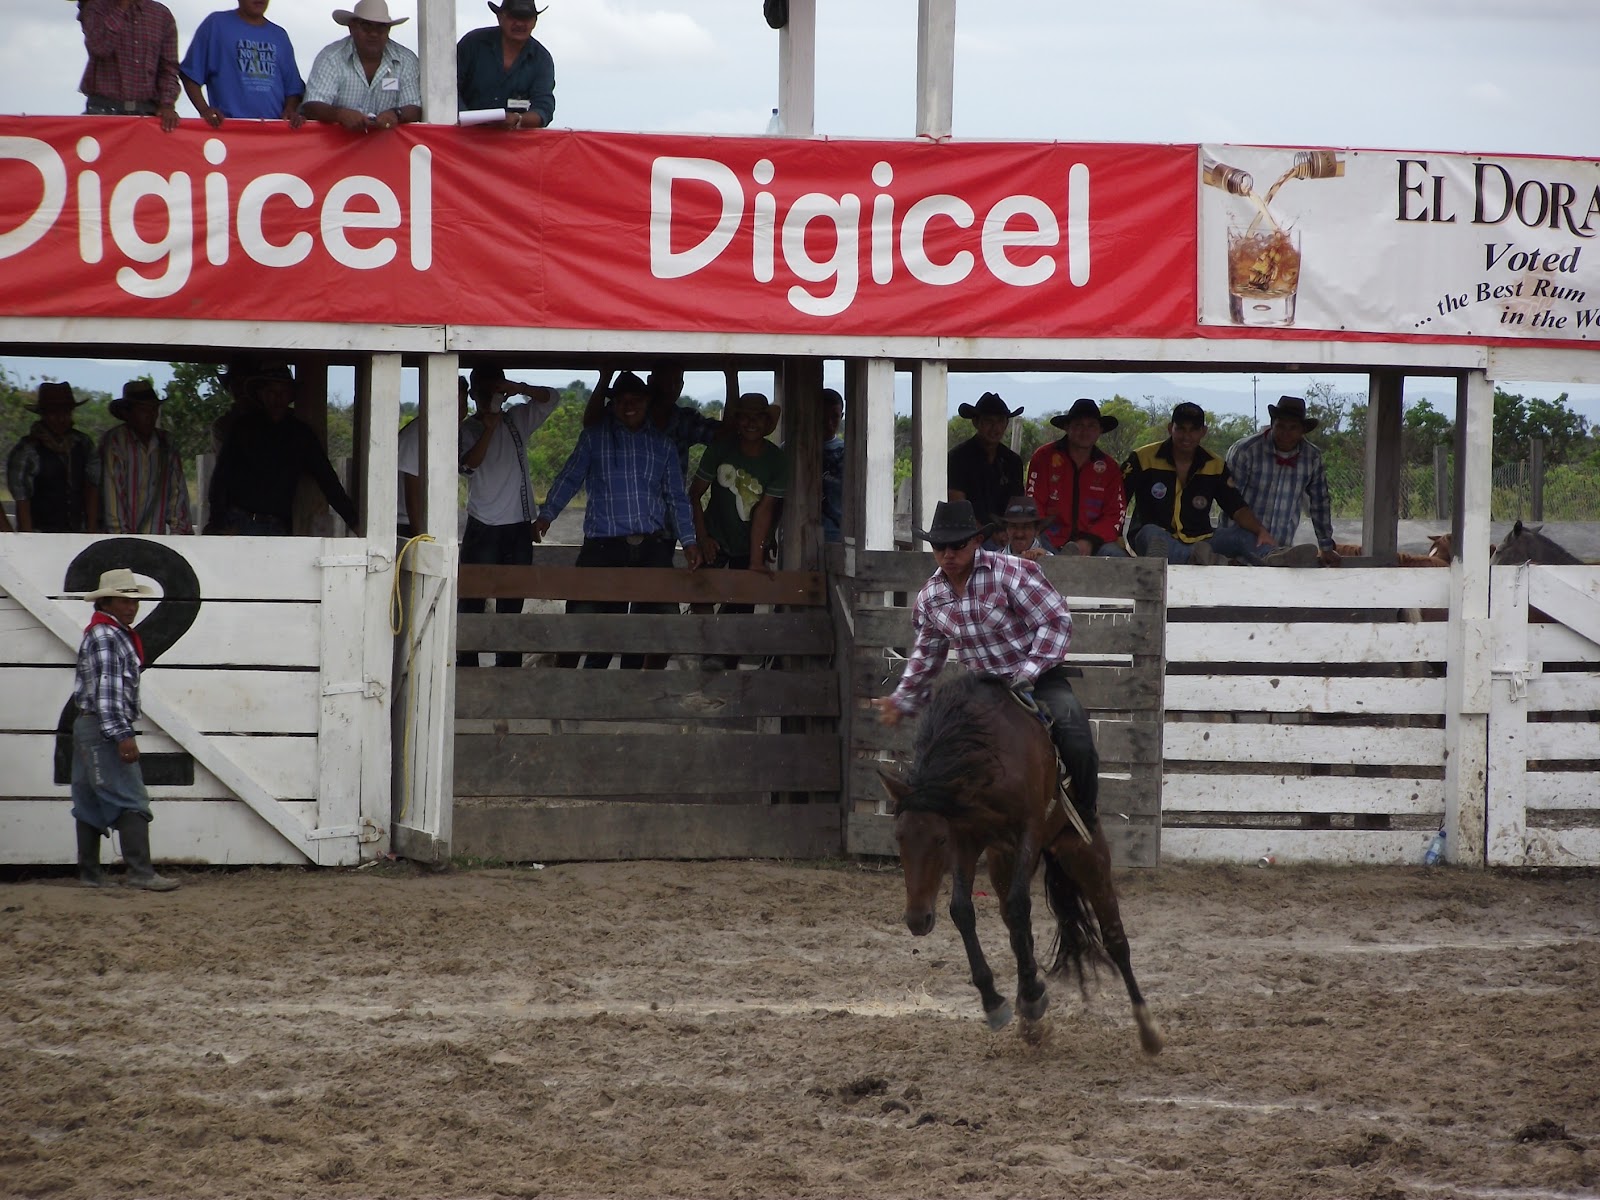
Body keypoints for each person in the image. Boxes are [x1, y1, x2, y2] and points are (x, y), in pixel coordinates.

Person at [871, 500, 1099, 826]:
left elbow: (1055, 621)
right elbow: (926, 653)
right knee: (935, 740)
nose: (948, 554)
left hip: (1038, 678)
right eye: (940, 547)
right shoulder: (931, 597)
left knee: (1075, 733)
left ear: (977, 541)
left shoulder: (1011, 572)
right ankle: (943, 822)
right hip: (982, 689)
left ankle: (1086, 811)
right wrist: (903, 698)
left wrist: (1029, 672)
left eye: (957, 545)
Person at [536, 370, 702, 671]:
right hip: (602, 546)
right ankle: (563, 687)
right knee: (584, 619)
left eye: (635, 400)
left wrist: (689, 541)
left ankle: (641, 688)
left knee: (663, 619)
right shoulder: (594, 438)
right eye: (621, 400)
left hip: (651, 547)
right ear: (612, 404)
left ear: (647, 402)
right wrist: (546, 515)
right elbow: (569, 478)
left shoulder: (662, 446)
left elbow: (676, 498)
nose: (628, 406)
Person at [69, 567, 180, 892]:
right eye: (123, 600)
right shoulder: (108, 636)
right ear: (106, 602)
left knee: (88, 798)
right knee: (130, 796)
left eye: (133, 600)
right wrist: (122, 734)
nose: (131, 606)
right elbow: (108, 690)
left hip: (89, 724)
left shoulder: (104, 632)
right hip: (104, 726)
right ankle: (140, 872)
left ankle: (90, 875)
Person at [456, 366, 562, 667]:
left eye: (497, 391)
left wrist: (519, 387)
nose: (491, 397)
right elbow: (467, 466)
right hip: (484, 525)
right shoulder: (467, 429)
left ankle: (507, 669)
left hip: (517, 527)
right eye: (486, 392)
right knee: (472, 601)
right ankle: (467, 667)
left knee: (512, 602)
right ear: (474, 394)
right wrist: (488, 429)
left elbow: (552, 398)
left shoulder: (515, 419)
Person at [690, 391, 789, 667]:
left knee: (742, 601)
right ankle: (710, 652)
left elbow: (765, 510)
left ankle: (726, 665)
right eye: (744, 417)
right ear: (737, 421)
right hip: (715, 537)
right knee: (701, 592)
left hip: (748, 542)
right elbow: (694, 494)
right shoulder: (720, 449)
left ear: (766, 423)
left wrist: (757, 558)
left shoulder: (777, 461)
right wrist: (703, 538)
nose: (750, 423)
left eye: (757, 418)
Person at [208, 362, 359, 535]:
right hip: (239, 522)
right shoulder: (243, 428)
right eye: (271, 392)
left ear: (290, 396)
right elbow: (221, 478)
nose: (277, 398)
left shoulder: (301, 434)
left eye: (283, 392)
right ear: (261, 394)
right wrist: (218, 523)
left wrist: (355, 523)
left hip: (278, 526)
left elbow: (328, 481)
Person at [1121, 401, 1277, 565]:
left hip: (1201, 539)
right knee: (1152, 534)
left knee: (1243, 535)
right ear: (1170, 428)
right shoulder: (1142, 458)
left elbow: (1236, 507)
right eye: (1180, 428)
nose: (1186, 436)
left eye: (1194, 430)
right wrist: (1117, 539)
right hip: (1154, 536)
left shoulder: (1214, 464)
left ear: (1203, 432)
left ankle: (1275, 557)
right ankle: (1198, 559)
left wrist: (1260, 531)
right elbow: (1118, 500)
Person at [1219, 396, 1339, 568]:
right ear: (1272, 424)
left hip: (1281, 550)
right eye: (1280, 426)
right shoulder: (1246, 451)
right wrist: (1229, 550)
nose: (1285, 433)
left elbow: (1319, 503)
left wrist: (1326, 546)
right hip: (1241, 549)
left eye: (1293, 428)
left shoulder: (1312, 457)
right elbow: (1230, 502)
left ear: (1302, 430)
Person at [581, 363, 728, 483]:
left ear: (682, 385)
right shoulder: (629, 415)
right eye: (665, 381)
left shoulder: (686, 420)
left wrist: (730, 376)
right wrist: (606, 376)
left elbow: (725, 434)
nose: (670, 388)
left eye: (676, 382)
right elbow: (591, 424)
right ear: (651, 381)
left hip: (668, 513)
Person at [1027, 397, 1128, 557]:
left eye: (1091, 426)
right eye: (1079, 425)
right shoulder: (1044, 457)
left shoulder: (1110, 467)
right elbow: (1033, 501)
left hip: (1094, 543)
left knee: (1119, 559)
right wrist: (1036, 533)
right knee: (1035, 553)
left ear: (1100, 430)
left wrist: (1089, 540)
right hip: (1048, 539)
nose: (1085, 431)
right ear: (1067, 427)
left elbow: (1115, 513)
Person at [300, 0, 421, 133]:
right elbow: (311, 106)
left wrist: (396, 114)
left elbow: (414, 108)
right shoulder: (331, 57)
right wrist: (340, 114)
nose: (373, 33)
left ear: (388, 30)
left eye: (381, 27)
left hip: (389, 150)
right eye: (366, 26)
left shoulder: (406, 60)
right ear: (352, 28)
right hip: (337, 149)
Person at [179, 0, 305, 127]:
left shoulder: (280, 36)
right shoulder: (216, 24)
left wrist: (290, 110)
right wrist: (204, 110)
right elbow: (190, 74)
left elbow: (293, 88)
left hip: (272, 132)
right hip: (230, 129)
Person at [99, 380, 193, 535]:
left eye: (154, 409)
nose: (151, 415)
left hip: (156, 538)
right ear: (127, 413)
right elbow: (113, 502)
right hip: (120, 542)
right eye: (143, 410)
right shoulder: (115, 443)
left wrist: (180, 537)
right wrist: (123, 542)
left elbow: (178, 497)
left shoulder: (166, 443)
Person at [6, 382, 101, 534]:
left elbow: (92, 487)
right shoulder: (28, 449)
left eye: (66, 412)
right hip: (41, 533)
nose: (61, 418)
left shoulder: (83, 443)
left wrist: (91, 529)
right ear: (43, 414)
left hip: (78, 531)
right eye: (54, 413)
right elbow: (22, 499)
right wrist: (28, 536)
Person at [77, 0, 182, 131]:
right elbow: (99, 47)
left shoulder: (162, 15)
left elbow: (169, 67)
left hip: (147, 112)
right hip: (103, 110)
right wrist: (121, 7)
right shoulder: (96, 7)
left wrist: (167, 104)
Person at [456, 0, 555, 131]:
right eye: (513, 17)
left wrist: (519, 119)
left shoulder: (542, 59)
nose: (519, 24)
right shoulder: (472, 44)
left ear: (535, 21)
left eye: (525, 18)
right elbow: (448, 90)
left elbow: (544, 109)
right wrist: (468, 120)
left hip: (513, 144)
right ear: (500, 17)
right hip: (463, 136)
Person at [948, 391, 1025, 537]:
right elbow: (957, 503)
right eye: (989, 421)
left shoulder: (1013, 461)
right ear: (976, 422)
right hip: (968, 536)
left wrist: (1009, 533)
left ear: (1006, 424)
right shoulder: (958, 457)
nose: (995, 428)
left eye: (1000, 421)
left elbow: (1017, 504)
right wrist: (984, 533)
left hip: (1007, 536)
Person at [820, 387, 845, 544]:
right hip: (795, 538)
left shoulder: (849, 452)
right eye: (823, 417)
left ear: (841, 416)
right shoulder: (789, 451)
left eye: (834, 417)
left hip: (839, 537)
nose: (829, 423)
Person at [998, 495, 1048, 561]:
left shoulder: (1053, 561)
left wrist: (1044, 561)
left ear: (1037, 530)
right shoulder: (993, 560)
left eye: (1026, 527)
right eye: (1014, 526)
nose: (1019, 534)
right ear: (1007, 529)